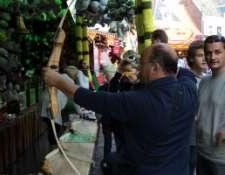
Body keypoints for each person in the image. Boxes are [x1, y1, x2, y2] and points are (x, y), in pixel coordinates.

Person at [44, 43, 197, 175]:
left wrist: (58, 80)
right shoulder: (189, 90)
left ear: (155, 68)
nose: (140, 69)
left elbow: (92, 99)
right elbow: (186, 73)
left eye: (142, 64)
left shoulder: (140, 101)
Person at [197, 35, 225, 175]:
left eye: (217, 52)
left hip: (221, 158)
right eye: (208, 53)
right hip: (202, 152)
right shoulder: (204, 81)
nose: (212, 57)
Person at [186, 40, 208, 175]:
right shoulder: (187, 81)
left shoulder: (208, 79)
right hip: (191, 139)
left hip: (205, 139)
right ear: (191, 59)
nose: (205, 58)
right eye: (200, 55)